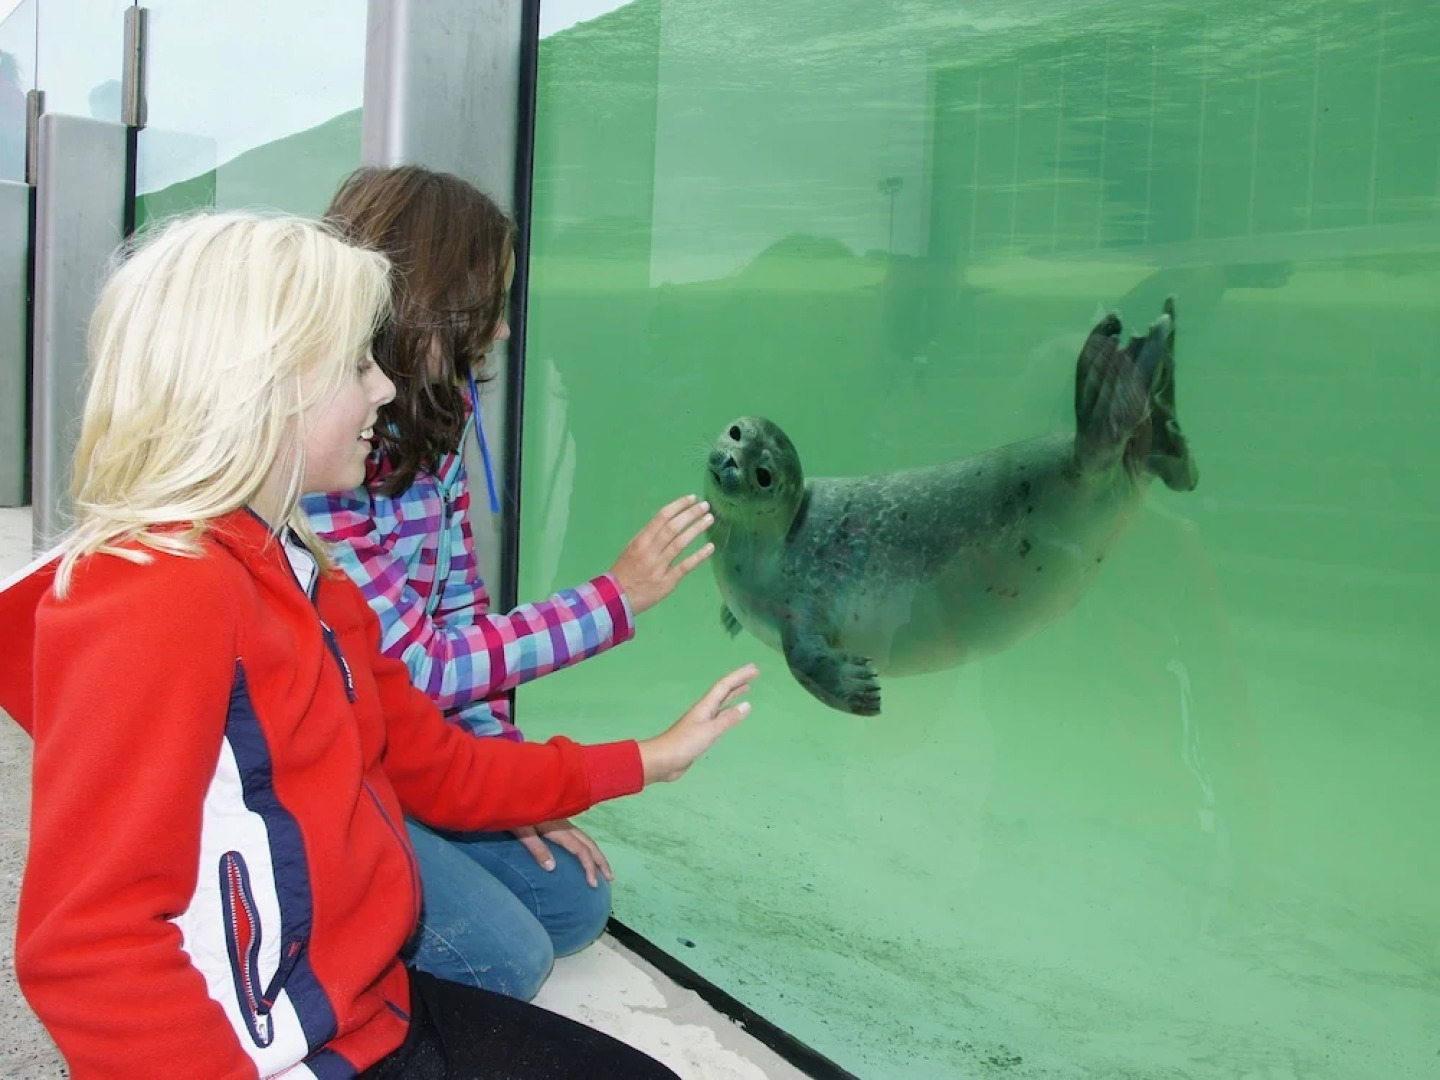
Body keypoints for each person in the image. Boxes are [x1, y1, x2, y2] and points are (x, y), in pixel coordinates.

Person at [9, 208, 759, 1079]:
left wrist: (649, 759)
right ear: (264, 386)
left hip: (373, 1006)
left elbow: (434, 762)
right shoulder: (152, 601)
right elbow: (90, 947)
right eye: (358, 365)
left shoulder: (308, 576)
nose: (385, 390)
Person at [301, 165, 714, 999]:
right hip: (335, 766)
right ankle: (325, 916)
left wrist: (504, 778)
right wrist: (614, 600)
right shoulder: (316, 459)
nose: (499, 333)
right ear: (419, 301)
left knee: (574, 903)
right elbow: (421, 667)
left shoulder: (438, 420)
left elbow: (459, 610)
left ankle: (414, 836)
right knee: (506, 961)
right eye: (483, 307)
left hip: (414, 748)